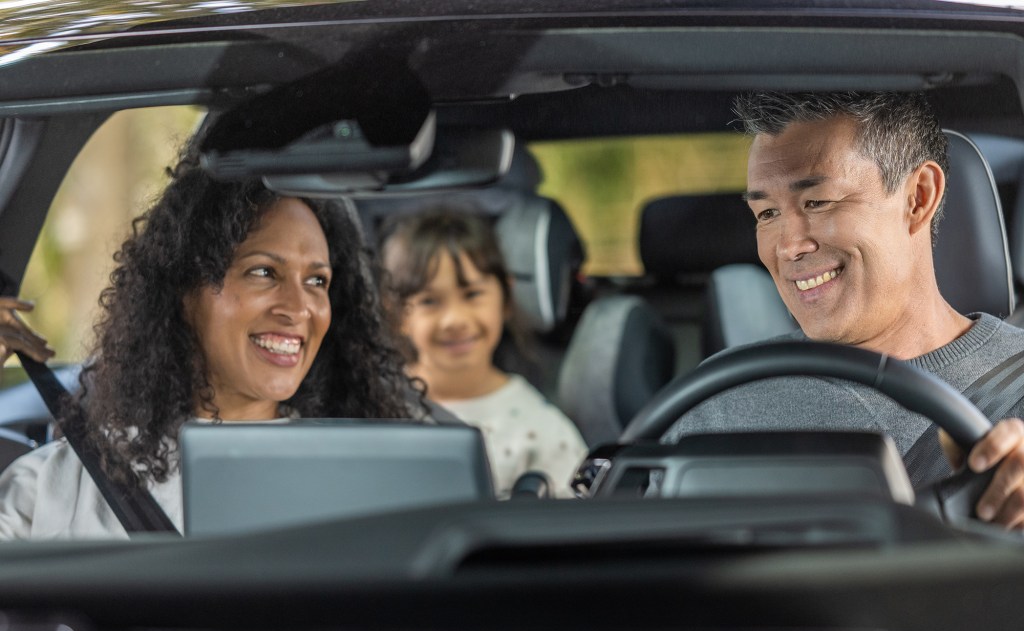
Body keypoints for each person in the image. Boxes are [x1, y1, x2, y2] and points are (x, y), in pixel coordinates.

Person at [0, 138, 417, 539]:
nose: (299, 307)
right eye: (263, 272)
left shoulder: (370, 480)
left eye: (316, 280)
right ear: (184, 290)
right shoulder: (54, 489)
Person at [664, 91, 1024, 529]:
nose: (788, 246)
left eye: (817, 202)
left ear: (918, 197)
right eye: (767, 213)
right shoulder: (715, 398)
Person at [379, 207, 587, 499]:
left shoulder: (542, 433)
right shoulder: (369, 407)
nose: (455, 320)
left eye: (473, 295)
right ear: (397, 312)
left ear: (505, 298)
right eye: (430, 301)